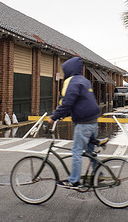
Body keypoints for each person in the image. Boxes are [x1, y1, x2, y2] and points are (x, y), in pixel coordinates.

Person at [48, 57, 100, 188]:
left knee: (76, 151)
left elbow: (67, 103)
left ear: (68, 70)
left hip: (84, 124)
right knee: (89, 152)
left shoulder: (72, 82)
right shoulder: (85, 81)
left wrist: (54, 117)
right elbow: (78, 102)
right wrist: (63, 115)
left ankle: (74, 181)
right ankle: (99, 174)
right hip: (94, 122)